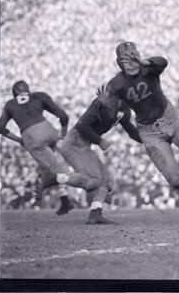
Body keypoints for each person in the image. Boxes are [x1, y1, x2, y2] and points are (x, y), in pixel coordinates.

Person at [106, 41, 179, 224]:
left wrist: (144, 62)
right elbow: (115, 111)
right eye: (124, 60)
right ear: (119, 63)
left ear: (138, 56)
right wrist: (108, 108)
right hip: (148, 130)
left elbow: (162, 61)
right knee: (174, 177)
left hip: (170, 117)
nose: (129, 63)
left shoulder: (149, 69)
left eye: (132, 58)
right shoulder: (116, 84)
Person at [0, 81, 102, 213]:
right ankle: (64, 199)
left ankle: (92, 184)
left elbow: (1, 128)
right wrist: (62, 136)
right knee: (48, 167)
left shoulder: (10, 104)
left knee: (59, 172)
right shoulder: (39, 96)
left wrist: (19, 140)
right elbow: (64, 116)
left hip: (31, 136)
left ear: (14, 94)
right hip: (49, 130)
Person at [57, 83, 143, 225]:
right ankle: (54, 178)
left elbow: (132, 131)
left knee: (107, 180)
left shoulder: (125, 111)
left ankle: (95, 213)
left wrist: (149, 140)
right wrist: (99, 140)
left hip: (84, 144)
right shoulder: (102, 102)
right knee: (96, 180)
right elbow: (82, 126)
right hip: (75, 141)